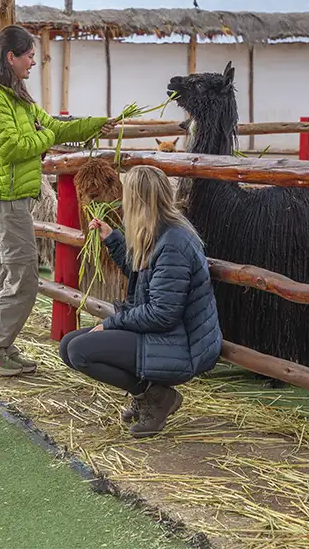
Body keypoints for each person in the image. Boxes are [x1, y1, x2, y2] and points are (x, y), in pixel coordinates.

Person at [0, 25, 118, 376]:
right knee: (23, 276)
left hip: (13, 198)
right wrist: (46, 136)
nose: (34, 62)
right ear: (11, 57)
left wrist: (96, 125)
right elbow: (12, 147)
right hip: (4, 199)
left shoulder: (18, 99)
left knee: (8, 274)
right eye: (29, 55)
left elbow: (55, 127)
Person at [59, 166, 223, 437]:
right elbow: (144, 276)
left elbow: (162, 313)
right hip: (164, 335)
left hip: (181, 344)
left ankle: (156, 398)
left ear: (136, 200)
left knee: (80, 351)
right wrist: (113, 240)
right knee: (68, 347)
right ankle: (151, 393)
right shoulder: (158, 232)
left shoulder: (173, 244)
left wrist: (112, 324)